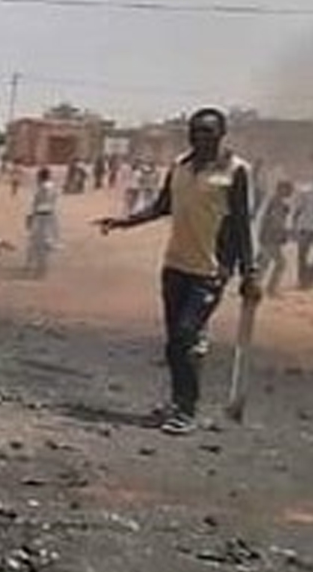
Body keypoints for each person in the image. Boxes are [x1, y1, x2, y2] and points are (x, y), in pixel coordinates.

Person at [96, 107, 260, 436]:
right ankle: (177, 401)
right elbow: (162, 206)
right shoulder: (179, 166)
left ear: (221, 134)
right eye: (195, 131)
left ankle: (187, 411)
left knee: (185, 335)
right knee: (175, 342)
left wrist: (249, 272)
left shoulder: (237, 171)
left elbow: (242, 224)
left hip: (210, 271)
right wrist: (125, 222)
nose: (200, 137)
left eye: (207, 131)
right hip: (175, 266)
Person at [255, 179, 294, 297]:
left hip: (271, 237)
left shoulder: (279, 202)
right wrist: (283, 233)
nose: (290, 192)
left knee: (268, 264)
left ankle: (266, 288)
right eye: (288, 189)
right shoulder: (276, 202)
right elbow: (274, 220)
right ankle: (264, 288)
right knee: (270, 264)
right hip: (270, 237)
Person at [25, 166, 60, 278]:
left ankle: (38, 269)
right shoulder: (53, 187)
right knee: (44, 242)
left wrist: (31, 215)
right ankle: (38, 267)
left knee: (38, 243)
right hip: (50, 215)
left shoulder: (42, 188)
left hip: (41, 216)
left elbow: (37, 203)